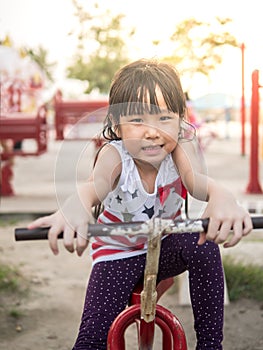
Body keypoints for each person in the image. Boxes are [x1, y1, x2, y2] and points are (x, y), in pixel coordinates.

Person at [28, 59, 252, 350]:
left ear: (181, 120)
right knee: (90, 341)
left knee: (204, 245)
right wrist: (76, 206)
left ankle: (211, 344)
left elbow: (197, 181)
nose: (152, 131)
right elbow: (93, 187)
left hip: (166, 248)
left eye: (164, 118)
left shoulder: (180, 148)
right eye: (137, 120)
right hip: (118, 254)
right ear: (117, 125)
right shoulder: (114, 155)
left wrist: (223, 196)